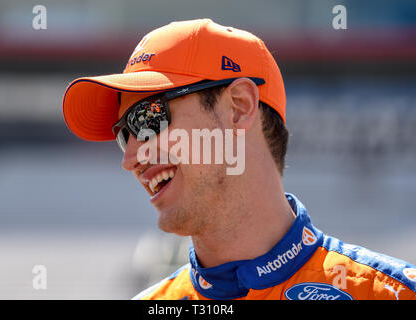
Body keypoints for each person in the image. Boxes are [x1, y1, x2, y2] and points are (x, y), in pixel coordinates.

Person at [62, 18, 416, 300]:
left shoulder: (391, 293)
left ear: (239, 107)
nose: (131, 158)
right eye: (126, 134)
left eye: (148, 118)